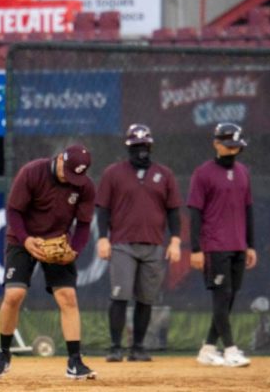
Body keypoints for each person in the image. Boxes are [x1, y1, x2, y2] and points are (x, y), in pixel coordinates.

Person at [0, 144, 97, 380]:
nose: (72, 180)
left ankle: (75, 361)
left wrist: (74, 251)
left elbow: (84, 224)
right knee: (13, 295)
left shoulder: (84, 186)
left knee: (68, 297)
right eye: (69, 173)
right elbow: (14, 211)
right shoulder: (32, 173)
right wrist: (26, 241)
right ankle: (3, 354)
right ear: (59, 160)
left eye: (77, 176)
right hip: (22, 239)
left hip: (58, 241)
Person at [95, 124, 182, 362]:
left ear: (150, 146)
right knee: (120, 295)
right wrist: (103, 238)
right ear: (128, 147)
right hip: (122, 243)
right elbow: (102, 208)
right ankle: (115, 346)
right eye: (136, 146)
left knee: (146, 298)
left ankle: (138, 347)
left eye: (144, 146)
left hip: (154, 244)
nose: (140, 150)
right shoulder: (113, 173)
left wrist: (175, 241)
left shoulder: (164, 175)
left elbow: (173, 211)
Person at [188, 122, 257, 368]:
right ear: (216, 144)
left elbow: (248, 209)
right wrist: (195, 249)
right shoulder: (203, 173)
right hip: (215, 245)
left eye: (236, 146)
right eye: (229, 145)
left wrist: (250, 245)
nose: (233, 150)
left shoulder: (243, 172)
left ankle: (207, 349)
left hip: (238, 244)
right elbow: (195, 213)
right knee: (221, 298)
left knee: (229, 299)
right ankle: (230, 349)